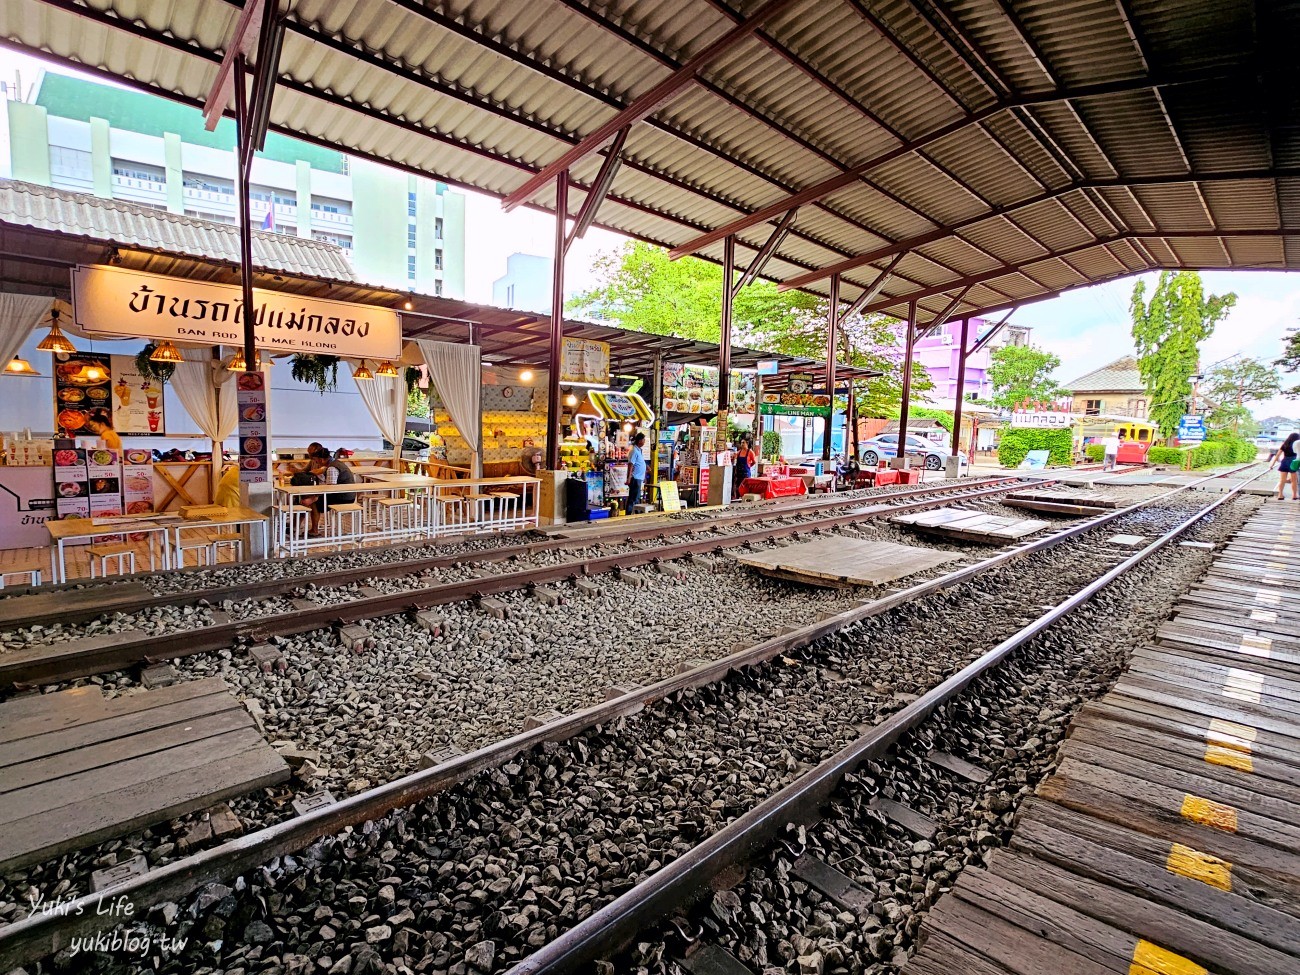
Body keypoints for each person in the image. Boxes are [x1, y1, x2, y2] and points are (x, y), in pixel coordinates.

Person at [1269, 432, 1300, 499]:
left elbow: (1277, 455)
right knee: (1294, 480)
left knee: (1282, 480)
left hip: (1284, 461)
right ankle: (1294, 495)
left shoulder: (1285, 444)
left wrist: (1272, 464)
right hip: (1293, 462)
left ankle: (1280, 495)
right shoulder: (1297, 444)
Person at [627, 432, 646, 511]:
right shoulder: (634, 451)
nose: (644, 441)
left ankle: (635, 512)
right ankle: (629, 513)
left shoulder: (639, 451)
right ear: (639, 441)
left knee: (636, 497)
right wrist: (629, 477)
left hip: (639, 478)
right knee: (634, 498)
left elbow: (638, 463)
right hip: (635, 478)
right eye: (643, 440)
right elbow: (631, 464)